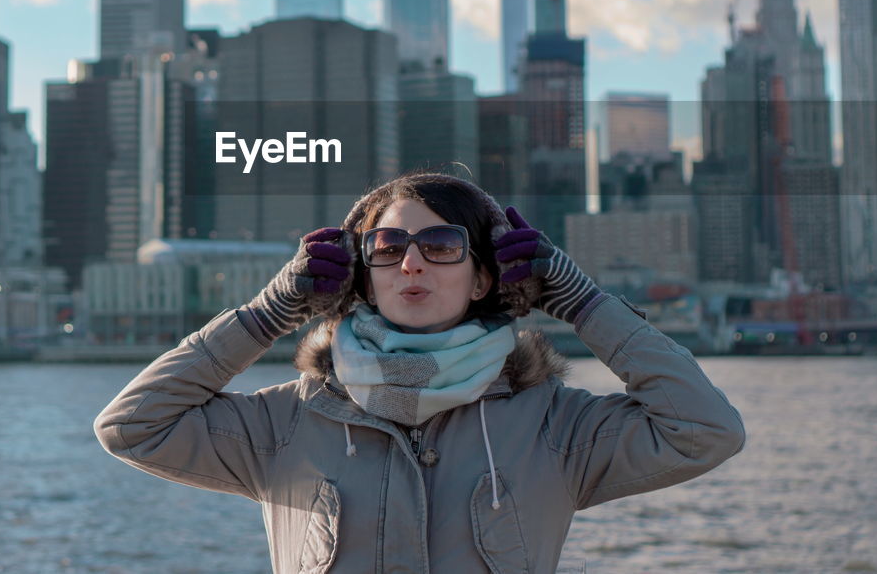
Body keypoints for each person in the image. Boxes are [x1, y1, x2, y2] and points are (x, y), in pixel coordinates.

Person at [95, 173, 745, 573]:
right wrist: (271, 312)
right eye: (388, 248)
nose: (412, 265)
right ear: (361, 274)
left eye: (440, 246)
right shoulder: (287, 422)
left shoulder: (552, 425)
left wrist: (578, 300)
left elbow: (706, 430)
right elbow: (132, 426)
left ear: (483, 273)